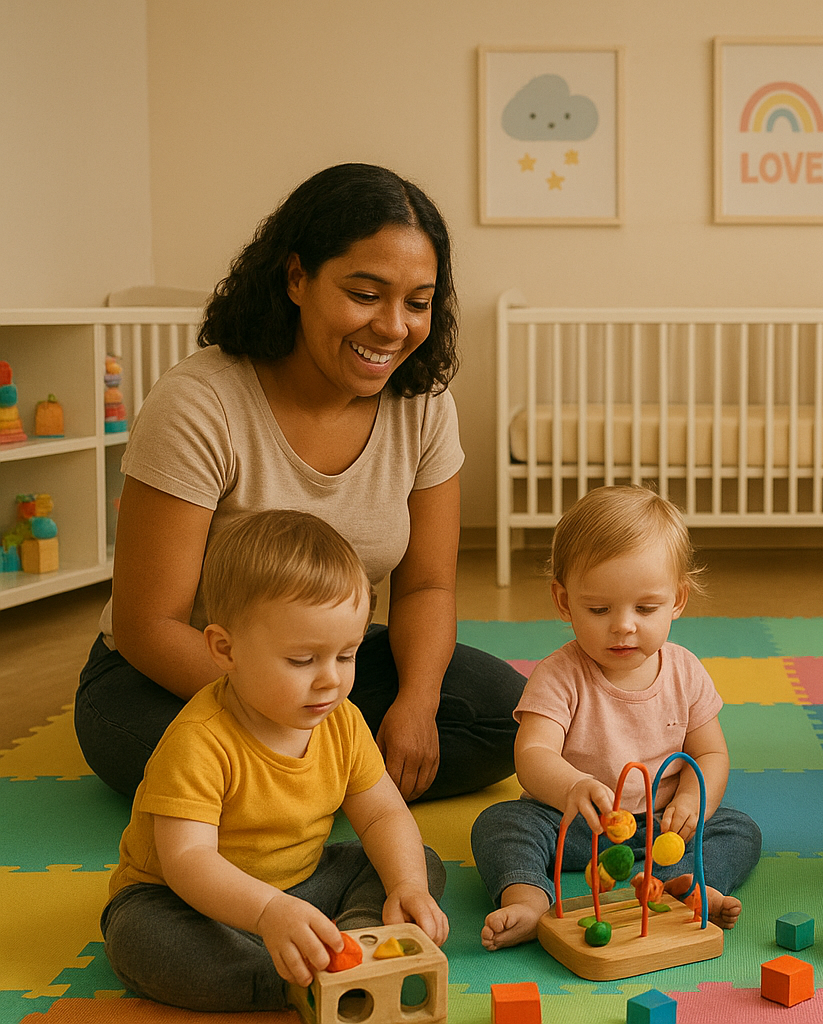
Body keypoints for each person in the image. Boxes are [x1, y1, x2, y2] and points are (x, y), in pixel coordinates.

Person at [75, 163, 523, 802]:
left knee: (510, 717)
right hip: (183, 674)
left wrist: (417, 705)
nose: (394, 327)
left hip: (328, 670)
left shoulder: (423, 407)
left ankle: (307, 794)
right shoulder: (200, 403)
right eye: (365, 294)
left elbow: (427, 585)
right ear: (296, 278)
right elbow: (150, 625)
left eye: (418, 302)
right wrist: (320, 728)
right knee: (193, 764)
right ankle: (339, 790)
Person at [101, 510, 449, 1012]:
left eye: (346, 655)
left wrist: (407, 885)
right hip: (185, 902)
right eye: (302, 660)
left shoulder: (342, 721)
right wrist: (267, 913)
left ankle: (350, 948)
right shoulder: (199, 741)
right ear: (226, 649)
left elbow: (383, 814)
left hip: (301, 888)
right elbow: (188, 861)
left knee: (418, 863)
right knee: (142, 939)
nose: (330, 680)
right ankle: (291, 979)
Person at [471, 485, 761, 950]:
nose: (624, 625)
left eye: (645, 608)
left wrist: (692, 799)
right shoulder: (559, 675)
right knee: (501, 823)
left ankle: (684, 883)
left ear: (677, 600)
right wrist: (571, 787)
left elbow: (710, 754)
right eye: (599, 609)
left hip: (660, 826)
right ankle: (527, 897)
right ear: (564, 602)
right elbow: (532, 753)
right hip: (574, 824)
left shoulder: (685, 671)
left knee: (738, 828)